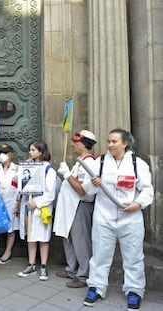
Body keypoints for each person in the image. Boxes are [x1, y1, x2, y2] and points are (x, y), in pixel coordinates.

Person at [81, 129, 154, 310]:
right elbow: (87, 189)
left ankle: (134, 291)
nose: (110, 145)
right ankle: (97, 287)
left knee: (133, 257)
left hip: (130, 219)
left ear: (125, 143)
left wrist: (138, 204)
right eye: (108, 141)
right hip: (103, 218)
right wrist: (93, 182)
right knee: (100, 255)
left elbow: (147, 190)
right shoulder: (101, 162)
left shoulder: (138, 164)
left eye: (114, 141)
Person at [53, 130, 97, 288]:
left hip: (80, 206)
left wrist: (67, 175)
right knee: (69, 238)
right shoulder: (79, 162)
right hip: (70, 206)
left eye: (75, 142)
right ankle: (72, 269)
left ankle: (84, 275)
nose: (72, 144)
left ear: (83, 144)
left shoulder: (90, 163)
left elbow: (82, 190)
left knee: (81, 242)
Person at [17, 140, 57, 281]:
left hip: (41, 207)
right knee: (31, 237)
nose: (30, 152)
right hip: (28, 206)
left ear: (41, 152)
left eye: (33, 150)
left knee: (43, 238)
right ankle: (31, 264)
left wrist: (37, 203)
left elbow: (50, 193)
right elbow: (21, 184)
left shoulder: (48, 170)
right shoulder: (29, 167)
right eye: (30, 149)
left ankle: (44, 266)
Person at [0, 144, 20, 264]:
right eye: (1, 152)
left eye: (5, 152)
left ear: (11, 155)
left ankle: (8, 251)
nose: (2, 155)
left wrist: (19, 204)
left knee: (11, 228)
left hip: (11, 202)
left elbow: (20, 187)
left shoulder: (17, 169)